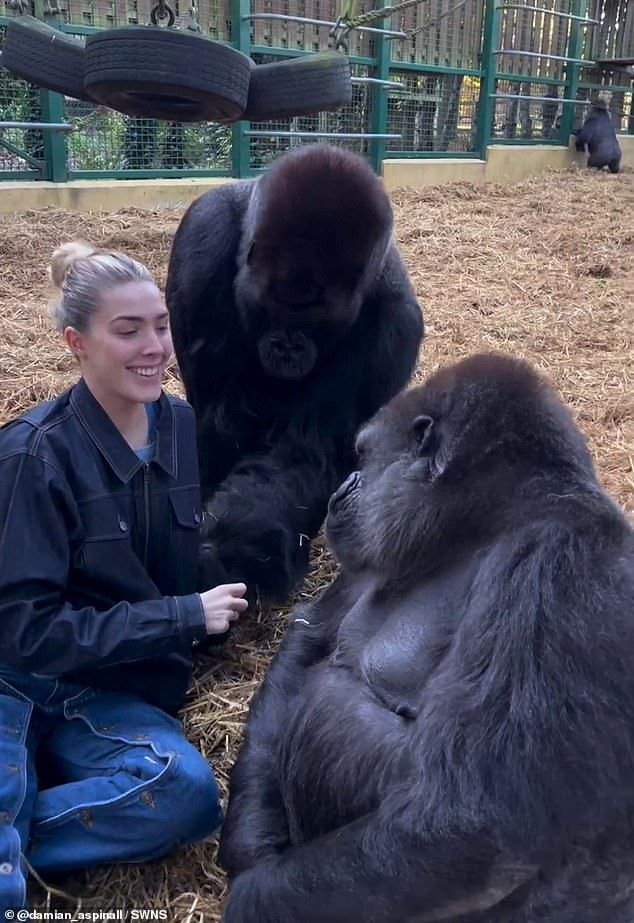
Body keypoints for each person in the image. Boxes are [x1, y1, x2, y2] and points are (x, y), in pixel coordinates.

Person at [0, 241, 249, 911]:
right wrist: (182, 616)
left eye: (161, 325)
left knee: (185, 792)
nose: (154, 347)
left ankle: (12, 842)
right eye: (128, 329)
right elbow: (27, 634)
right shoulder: (31, 453)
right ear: (76, 342)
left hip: (111, 688)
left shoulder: (184, 428)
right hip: (14, 678)